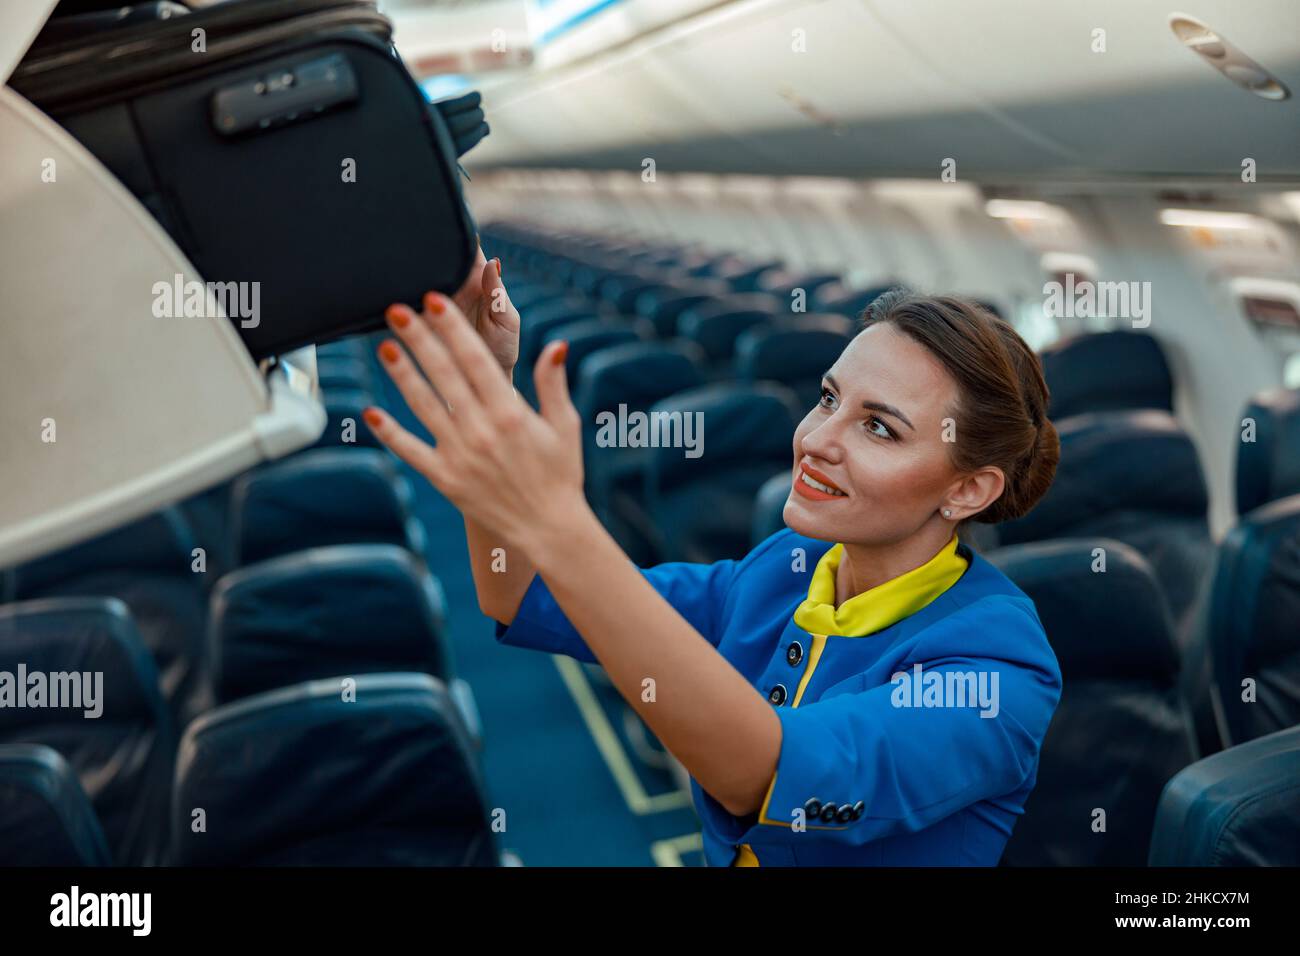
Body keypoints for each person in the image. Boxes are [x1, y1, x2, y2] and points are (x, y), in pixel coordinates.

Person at [362, 249, 1064, 866]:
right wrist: (487, 383)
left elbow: (776, 774)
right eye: (828, 399)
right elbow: (516, 591)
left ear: (969, 489)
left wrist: (562, 523)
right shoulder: (783, 571)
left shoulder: (997, 668)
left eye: (879, 428)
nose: (818, 439)